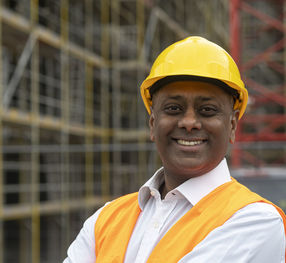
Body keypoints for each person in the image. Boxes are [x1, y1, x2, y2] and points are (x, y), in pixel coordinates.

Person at [63, 36, 286, 263]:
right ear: (152, 124)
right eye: (173, 108)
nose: (189, 122)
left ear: (232, 125)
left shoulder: (255, 221)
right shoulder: (105, 219)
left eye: (207, 110)